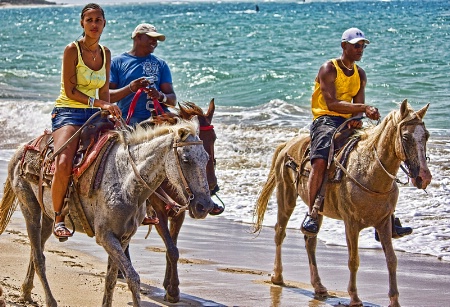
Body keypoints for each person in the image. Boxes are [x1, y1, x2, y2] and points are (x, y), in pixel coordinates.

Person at [301, 27, 412, 239]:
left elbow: (358, 104)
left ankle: (387, 218)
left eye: (362, 46)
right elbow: (331, 103)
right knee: (320, 160)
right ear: (344, 46)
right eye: (356, 46)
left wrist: (358, 119)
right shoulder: (329, 69)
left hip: (349, 119)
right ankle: (313, 213)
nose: (360, 49)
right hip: (325, 118)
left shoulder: (360, 74)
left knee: (379, 154)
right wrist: (362, 110)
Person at [109, 23, 224, 217]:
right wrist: (131, 87)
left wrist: (159, 96)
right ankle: (147, 203)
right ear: (137, 37)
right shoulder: (118, 63)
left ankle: (206, 193)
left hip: (159, 120)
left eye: (156, 39)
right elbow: (109, 95)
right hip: (131, 123)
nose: (154, 42)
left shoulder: (160, 64)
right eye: (150, 37)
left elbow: (172, 98)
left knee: (194, 144)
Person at [51, 3, 122, 240]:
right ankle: (59, 217)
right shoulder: (72, 50)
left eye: (98, 20)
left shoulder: (106, 52)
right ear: (82, 23)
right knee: (63, 161)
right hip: (68, 112)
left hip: (94, 113)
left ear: (104, 23)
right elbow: (70, 91)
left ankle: (136, 209)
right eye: (89, 20)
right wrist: (102, 105)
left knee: (128, 148)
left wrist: (111, 113)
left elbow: (104, 92)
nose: (94, 24)